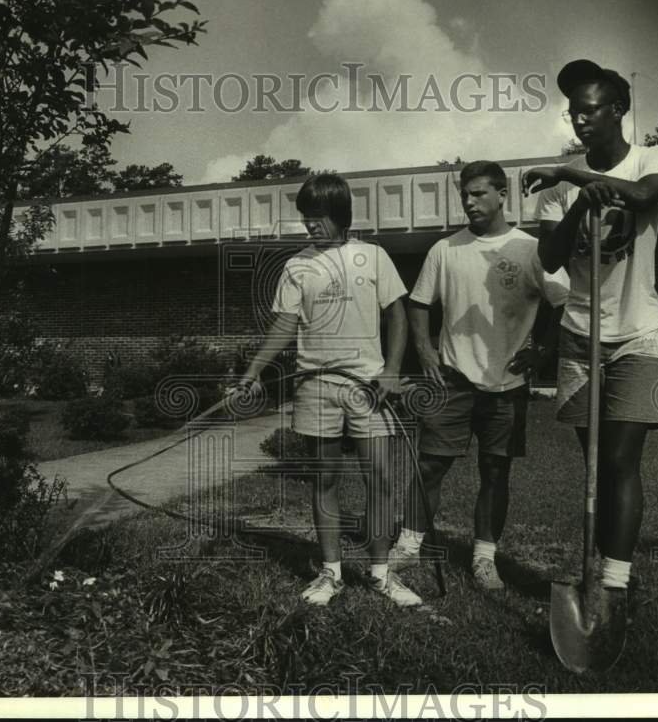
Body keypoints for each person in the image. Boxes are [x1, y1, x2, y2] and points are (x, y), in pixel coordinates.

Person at [522, 59, 658, 595]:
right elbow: (548, 259)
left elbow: (642, 197)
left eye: (589, 111)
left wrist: (572, 174)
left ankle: (614, 579)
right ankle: (600, 569)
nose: (579, 121)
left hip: (640, 335)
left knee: (620, 458)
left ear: (618, 111)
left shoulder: (653, 157)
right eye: (573, 113)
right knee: (594, 463)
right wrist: (574, 204)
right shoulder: (560, 190)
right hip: (580, 335)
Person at [239, 173, 422, 607]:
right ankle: (331, 573)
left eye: (319, 217)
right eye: (306, 218)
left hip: (369, 388)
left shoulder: (373, 256)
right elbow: (285, 325)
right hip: (315, 386)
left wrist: (393, 370)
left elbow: (396, 314)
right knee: (326, 480)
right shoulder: (296, 266)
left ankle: (381, 574)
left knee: (378, 479)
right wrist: (253, 372)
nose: (311, 226)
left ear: (341, 216)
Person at [389, 160, 569, 590]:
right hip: (452, 380)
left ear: (502, 194)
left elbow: (561, 302)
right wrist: (425, 350)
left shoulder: (529, 249)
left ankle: (484, 558)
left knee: (495, 471)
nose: (469, 202)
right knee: (431, 466)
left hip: (507, 384)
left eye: (478, 193)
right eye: (464, 194)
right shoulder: (445, 249)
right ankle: (409, 544)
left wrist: (542, 350)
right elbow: (419, 303)